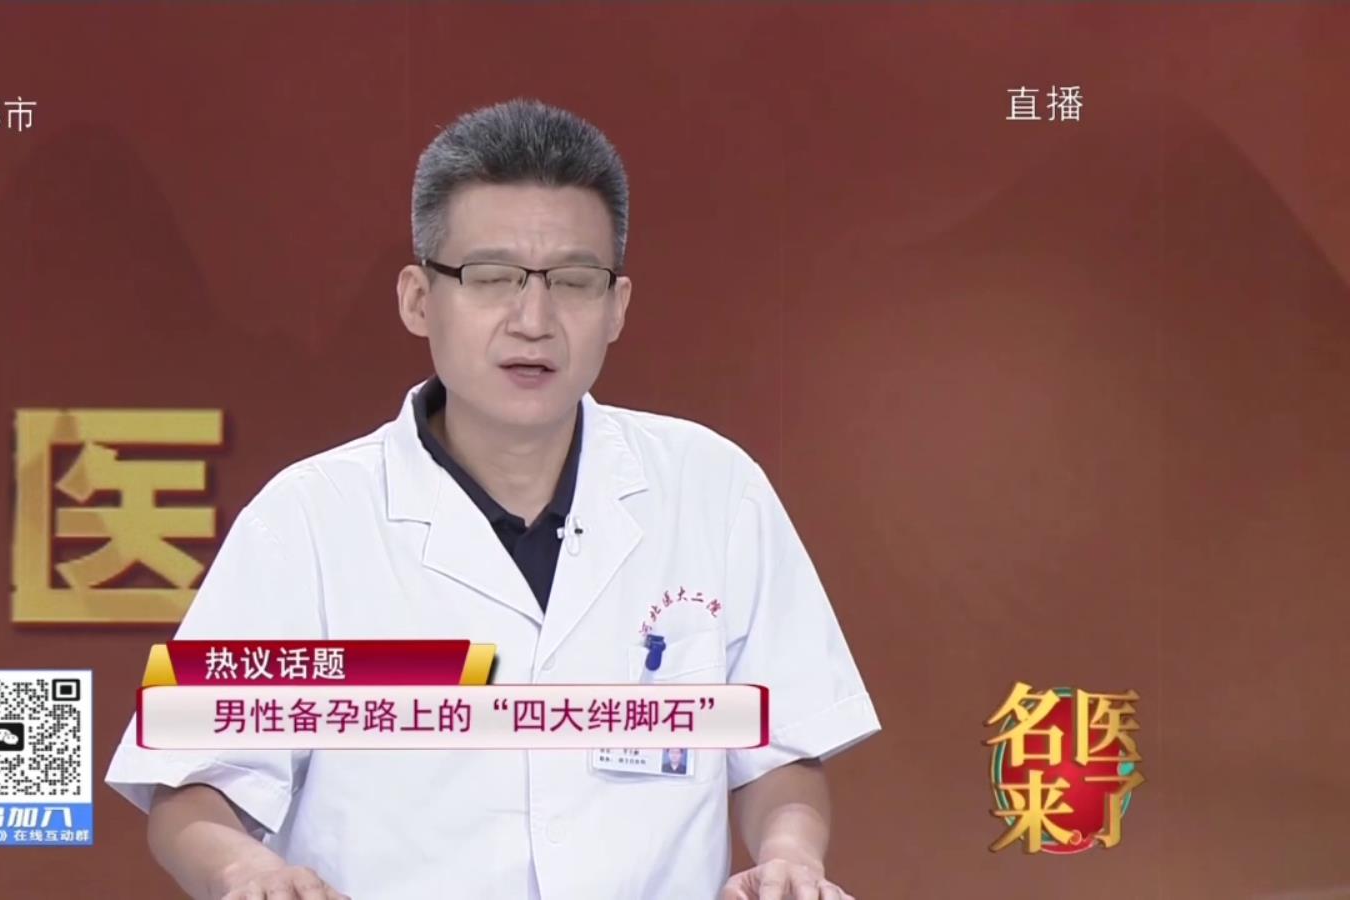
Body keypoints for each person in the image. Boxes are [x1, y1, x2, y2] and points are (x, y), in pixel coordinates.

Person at [106, 98, 880, 900]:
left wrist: (790, 857)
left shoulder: (711, 488)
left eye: (573, 282)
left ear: (617, 306)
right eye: (492, 278)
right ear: (418, 298)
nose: (533, 320)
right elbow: (189, 786)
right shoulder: (306, 520)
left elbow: (782, 749)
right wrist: (248, 871)